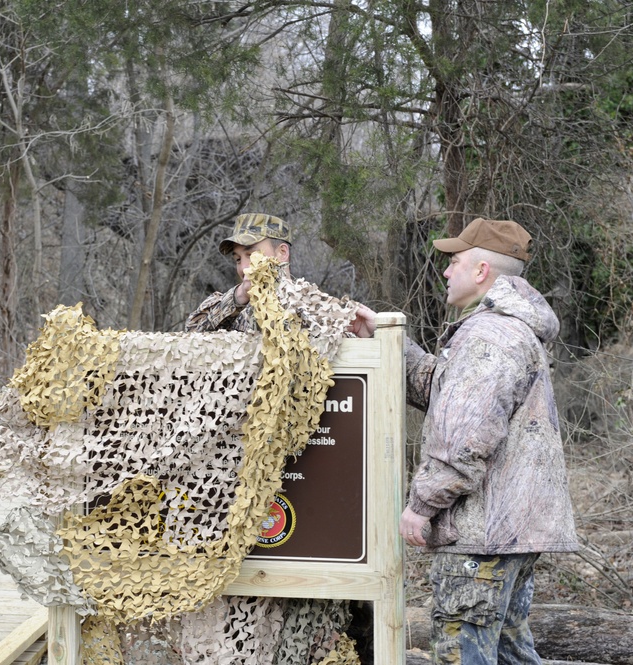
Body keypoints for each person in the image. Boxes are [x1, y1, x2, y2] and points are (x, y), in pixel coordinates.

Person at [353, 217, 578, 664]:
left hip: (482, 537)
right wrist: (386, 339)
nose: (444, 271)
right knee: (511, 653)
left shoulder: (489, 336)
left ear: (481, 271)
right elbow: (445, 389)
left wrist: (421, 506)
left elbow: (464, 440)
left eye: (454, 261)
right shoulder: (506, 330)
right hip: (506, 535)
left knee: (464, 655)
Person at [186, 213, 359, 663]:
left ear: (281, 254)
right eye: (238, 258)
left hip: (308, 468)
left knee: (306, 601)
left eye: (253, 254)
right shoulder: (231, 309)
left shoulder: (313, 305)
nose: (245, 265)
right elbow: (186, 341)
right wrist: (239, 299)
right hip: (240, 473)